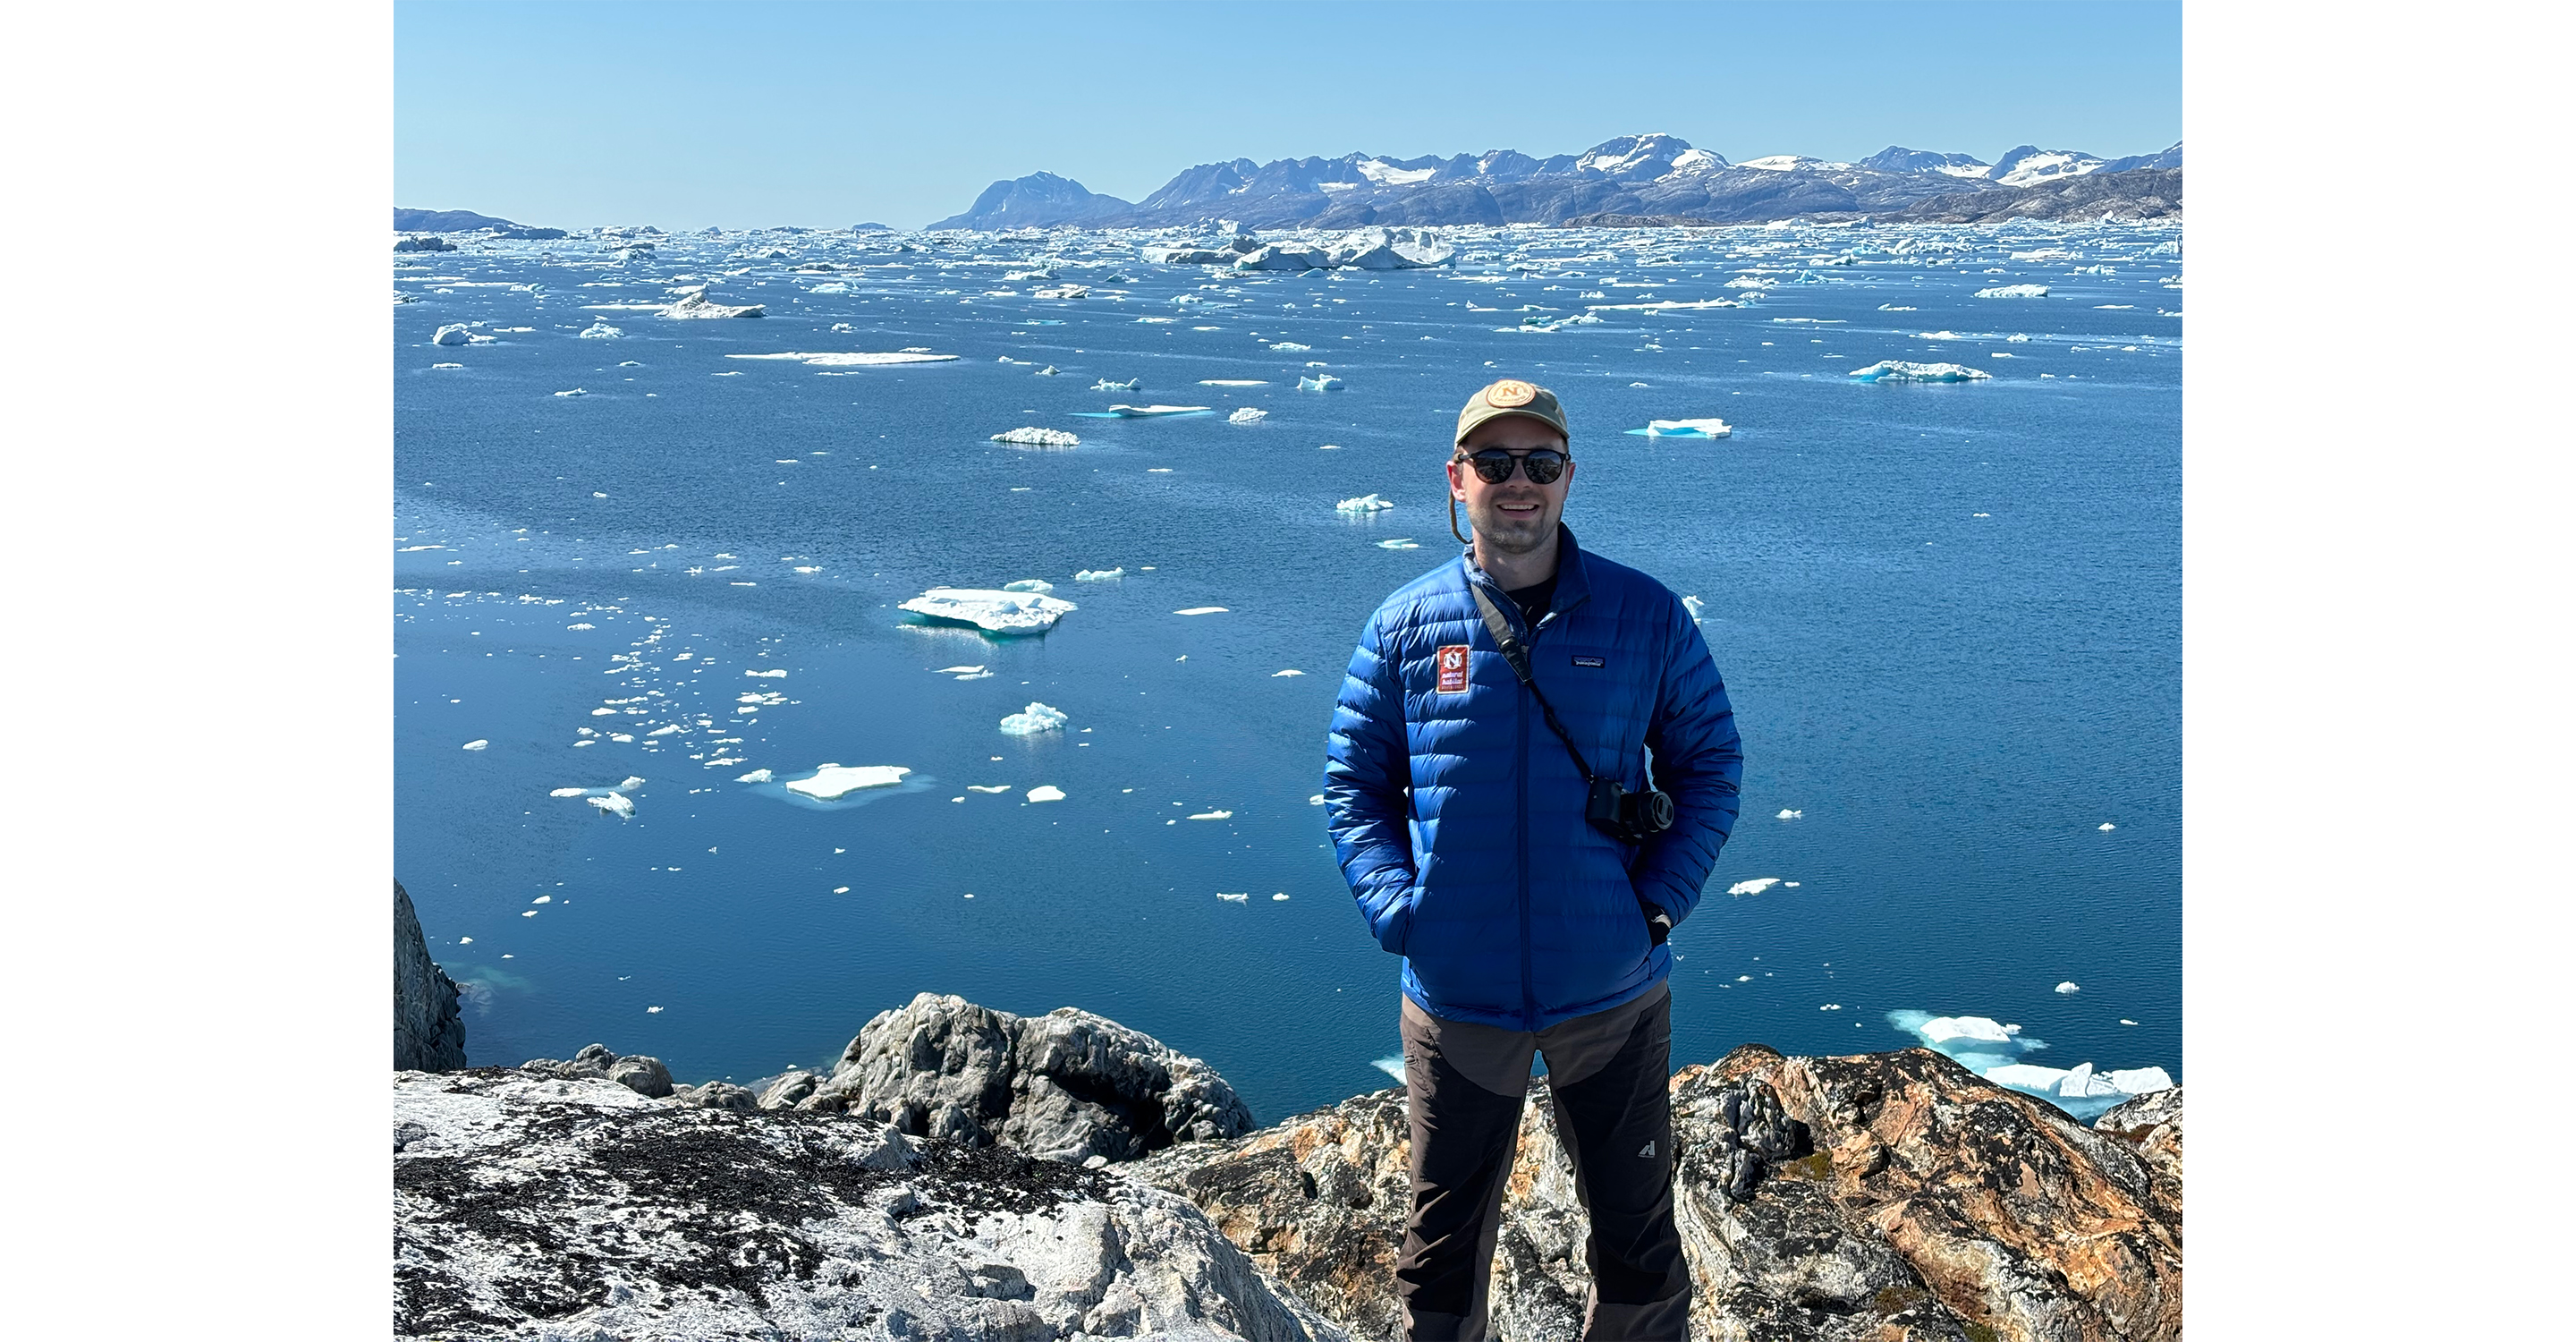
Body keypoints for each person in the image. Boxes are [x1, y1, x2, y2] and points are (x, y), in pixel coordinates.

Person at [1324, 378, 1742, 1340]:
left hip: (1612, 990)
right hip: (1458, 998)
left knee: (1637, 1243)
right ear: (1456, 480)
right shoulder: (1406, 627)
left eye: (1540, 464)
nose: (1520, 484)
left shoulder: (1643, 618)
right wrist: (1400, 911)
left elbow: (1710, 762)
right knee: (1439, 1257)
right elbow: (1354, 785)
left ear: (1568, 479)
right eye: (1496, 463)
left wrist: (1659, 904)